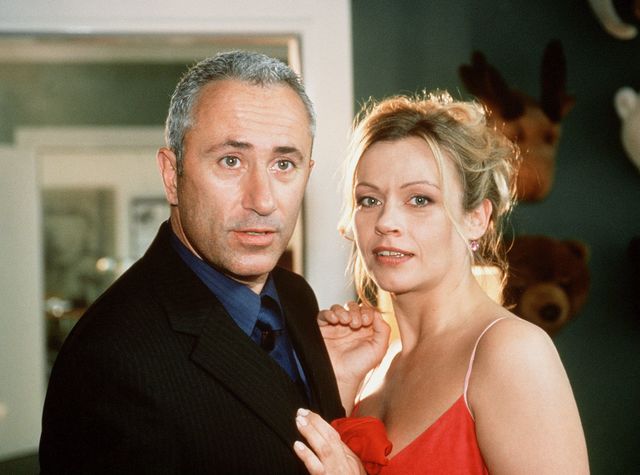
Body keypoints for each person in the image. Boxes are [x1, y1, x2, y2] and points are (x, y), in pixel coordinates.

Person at [39, 50, 345, 474]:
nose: (262, 200)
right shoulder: (111, 361)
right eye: (231, 161)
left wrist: (340, 385)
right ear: (172, 175)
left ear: (307, 173)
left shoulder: (295, 297)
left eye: (283, 164)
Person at [293, 92, 590, 474]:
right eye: (369, 200)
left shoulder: (512, 353)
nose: (386, 222)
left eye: (419, 199)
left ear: (476, 218)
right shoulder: (373, 369)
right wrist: (339, 382)